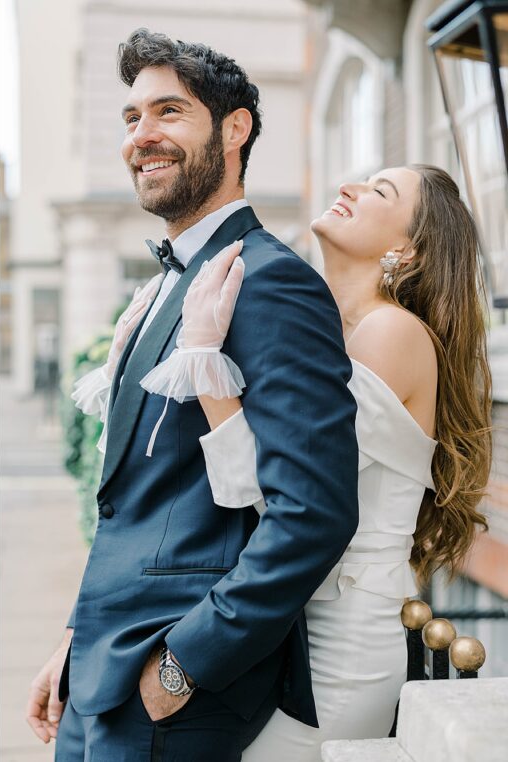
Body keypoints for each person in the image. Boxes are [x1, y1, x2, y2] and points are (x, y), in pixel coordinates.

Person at [26, 30, 361, 759]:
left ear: (234, 129)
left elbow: (314, 514)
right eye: (131, 118)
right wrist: (75, 641)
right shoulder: (161, 287)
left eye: (168, 112)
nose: (141, 136)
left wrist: (183, 668)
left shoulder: (273, 282)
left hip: (174, 692)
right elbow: (135, 503)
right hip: (102, 663)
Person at [141, 163, 490, 759]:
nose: (349, 186)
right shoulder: (328, 331)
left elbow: (279, 491)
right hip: (289, 624)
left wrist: (203, 360)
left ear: (406, 249)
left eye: (381, 191)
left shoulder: (390, 332)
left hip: (343, 643)